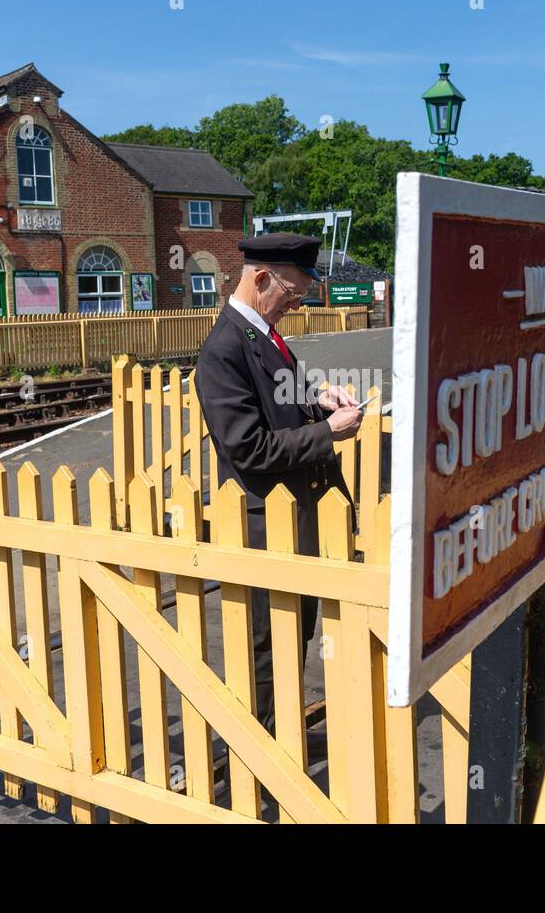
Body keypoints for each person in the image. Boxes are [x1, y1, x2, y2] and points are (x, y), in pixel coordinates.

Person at [194, 233, 363, 740]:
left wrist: (318, 402)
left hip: (294, 521)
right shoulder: (223, 350)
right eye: (291, 294)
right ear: (261, 278)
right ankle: (263, 749)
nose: (294, 305)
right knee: (268, 645)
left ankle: (281, 734)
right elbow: (248, 447)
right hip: (266, 526)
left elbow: (280, 406)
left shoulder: (260, 334)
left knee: (294, 635)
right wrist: (325, 433)